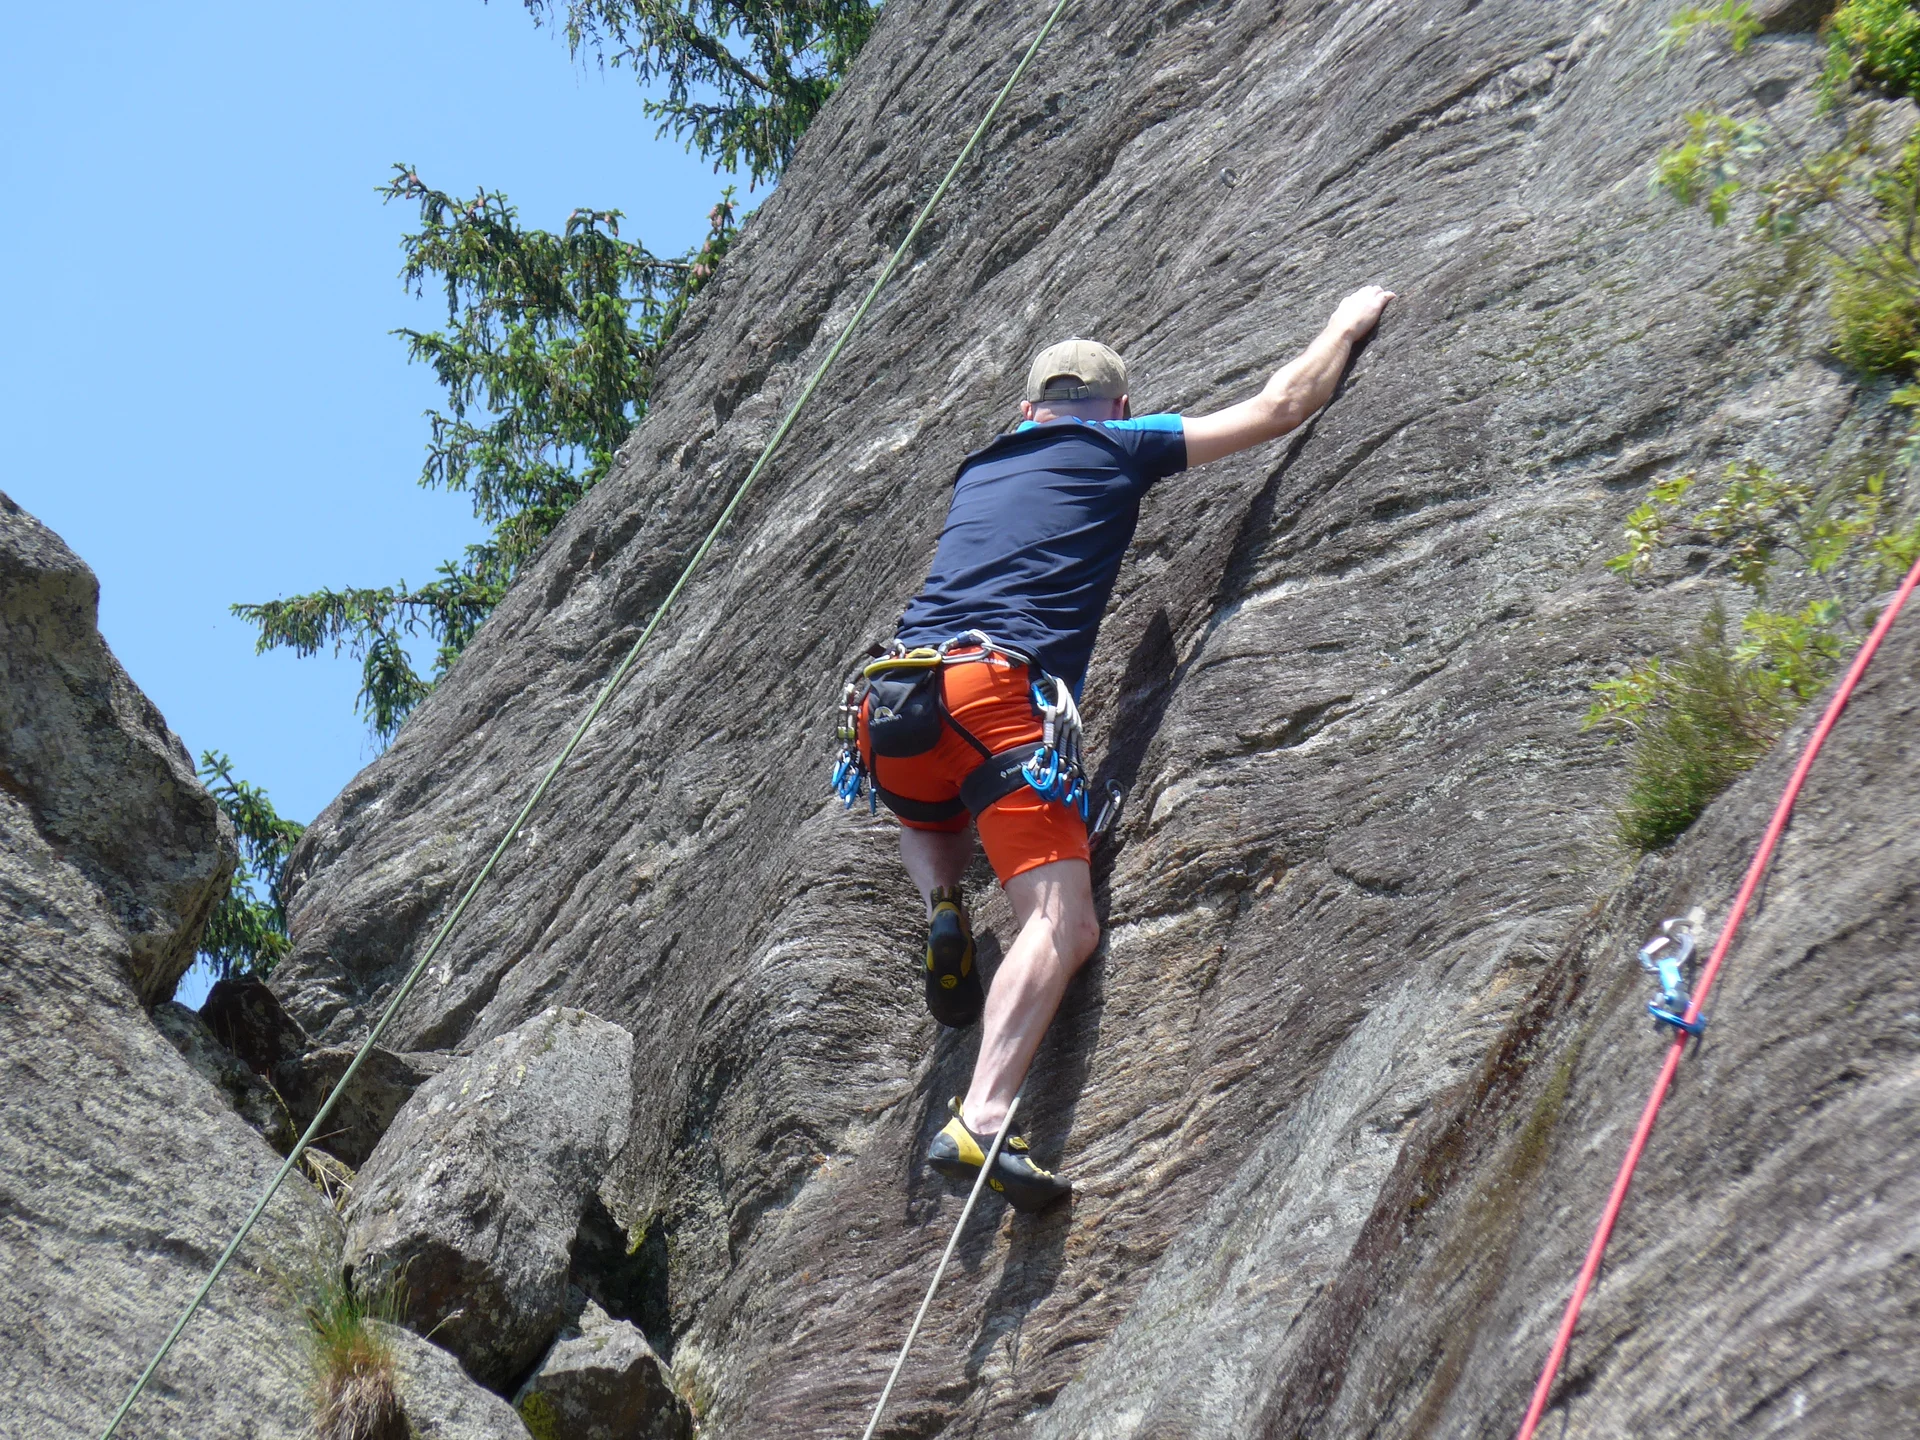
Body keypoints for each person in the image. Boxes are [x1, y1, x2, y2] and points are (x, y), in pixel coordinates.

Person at [855, 286, 1396, 1210]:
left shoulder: (983, 465)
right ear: (1117, 407)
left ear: (1029, 408)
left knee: (933, 800)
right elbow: (1282, 407)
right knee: (1062, 923)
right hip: (992, 693)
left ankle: (943, 902)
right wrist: (1347, 322)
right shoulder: (1116, 442)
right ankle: (982, 1117)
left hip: (890, 702)